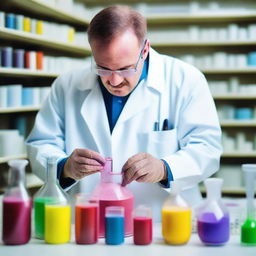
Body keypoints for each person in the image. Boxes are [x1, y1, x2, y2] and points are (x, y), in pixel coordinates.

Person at [26, 5, 222, 220]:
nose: (114, 81)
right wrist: (65, 168)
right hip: (88, 224)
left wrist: (165, 169)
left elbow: (207, 148)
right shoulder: (67, 85)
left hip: (161, 222)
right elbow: (41, 145)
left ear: (145, 49)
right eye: (103, 68)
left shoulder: (185, 80)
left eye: (124, 69)